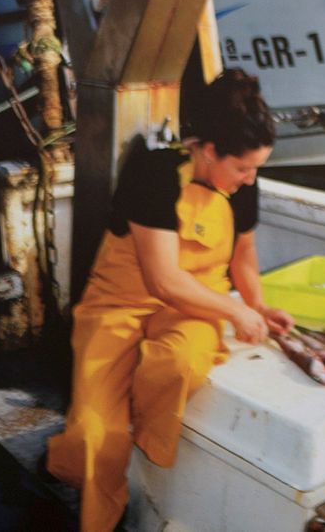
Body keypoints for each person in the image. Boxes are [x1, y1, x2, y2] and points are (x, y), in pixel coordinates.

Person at [46, 68, 293, 532]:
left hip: (191, 309)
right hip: (118, 305)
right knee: (94, 436)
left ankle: (128, 435)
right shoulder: (155, 173)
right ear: (209, 149)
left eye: (256, 169)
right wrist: (235, 310)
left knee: (180, 362)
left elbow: (244, 254)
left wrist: (257, 306)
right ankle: (77, 458)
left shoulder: (243, 186)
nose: (248, 179)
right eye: (242, 168)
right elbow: (162, 280)